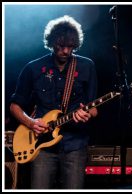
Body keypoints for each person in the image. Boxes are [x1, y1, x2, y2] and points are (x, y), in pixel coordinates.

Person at [10, 15, 98, 189]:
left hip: (75, 145)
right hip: (42, 147)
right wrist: (31, 122)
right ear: (51, 43)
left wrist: (87, 113)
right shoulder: (33, 68)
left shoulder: (87, 66)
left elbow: (94, 108)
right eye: (61, 46)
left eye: (70, 47)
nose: (66, 51)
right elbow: (14, 106)